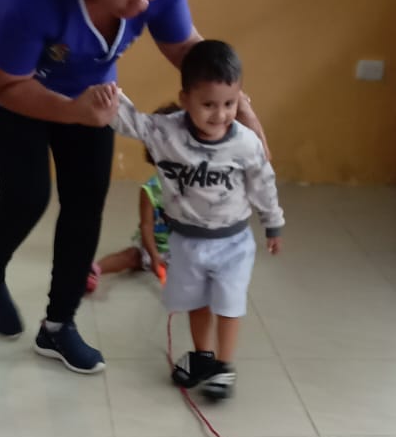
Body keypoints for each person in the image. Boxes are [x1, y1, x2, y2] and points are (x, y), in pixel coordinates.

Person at [0, 0, 266, 376]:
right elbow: (6, 85)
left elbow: (185, 48)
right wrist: (74, 112)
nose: (142, 4)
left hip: (92, 84)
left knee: (86, 199)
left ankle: (58, 325)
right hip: (11, 80)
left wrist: (241, 106)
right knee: (27, 194)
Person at [114, 41, 283, 400]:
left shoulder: (246, 143)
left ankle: (224, 365)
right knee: (197, 302)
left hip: (233, 242)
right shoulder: (167, 132)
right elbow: (130, 121)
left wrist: (273, 223)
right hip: (186, 242)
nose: (220, 115)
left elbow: (263, 183)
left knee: (229, 303)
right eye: (208, 105)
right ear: (185, 98)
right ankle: (203, 357)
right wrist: (105, 91)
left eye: (230, 104)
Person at [87, 105, 175, 291]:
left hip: (183, 249)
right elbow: (146, 226)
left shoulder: (193, 187)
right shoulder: (150, 189)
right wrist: (153, 256)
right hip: (153, 247)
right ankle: (93, 270)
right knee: (131, 256)